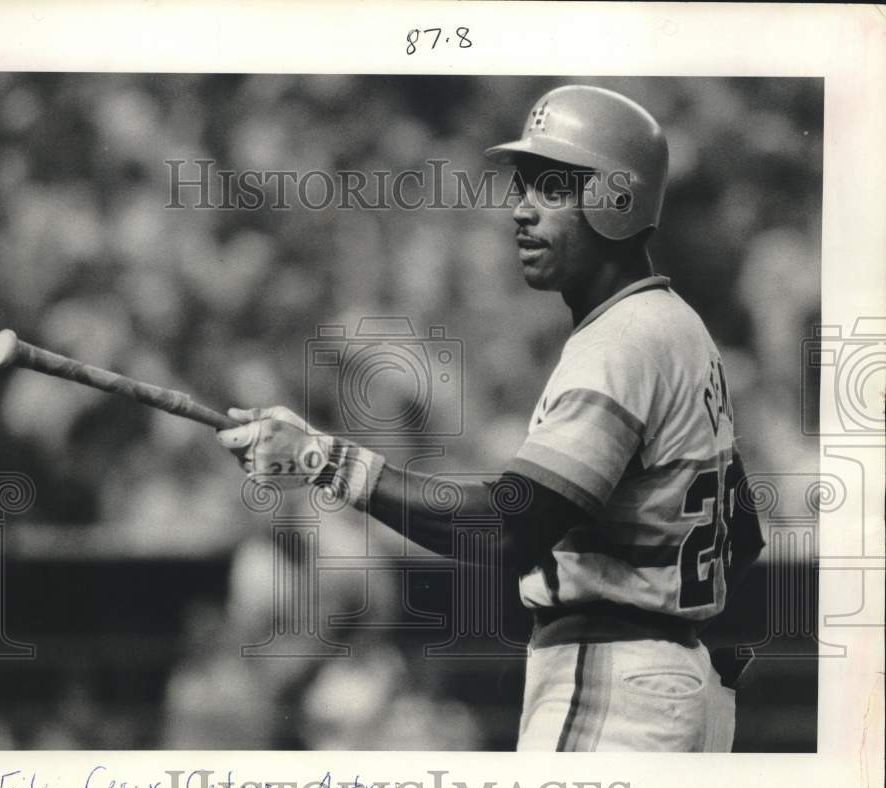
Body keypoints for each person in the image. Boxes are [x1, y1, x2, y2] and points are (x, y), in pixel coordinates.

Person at [217, 85, 766, 752]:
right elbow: (743, 532)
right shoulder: (682, 330)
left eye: (551, 189)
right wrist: (709, 679)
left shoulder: (618, 343)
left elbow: (509, 527)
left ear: (617, 202)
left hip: (611, 686)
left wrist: (322, 459)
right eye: (522, 187)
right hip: (671, 682)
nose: (520, 211)